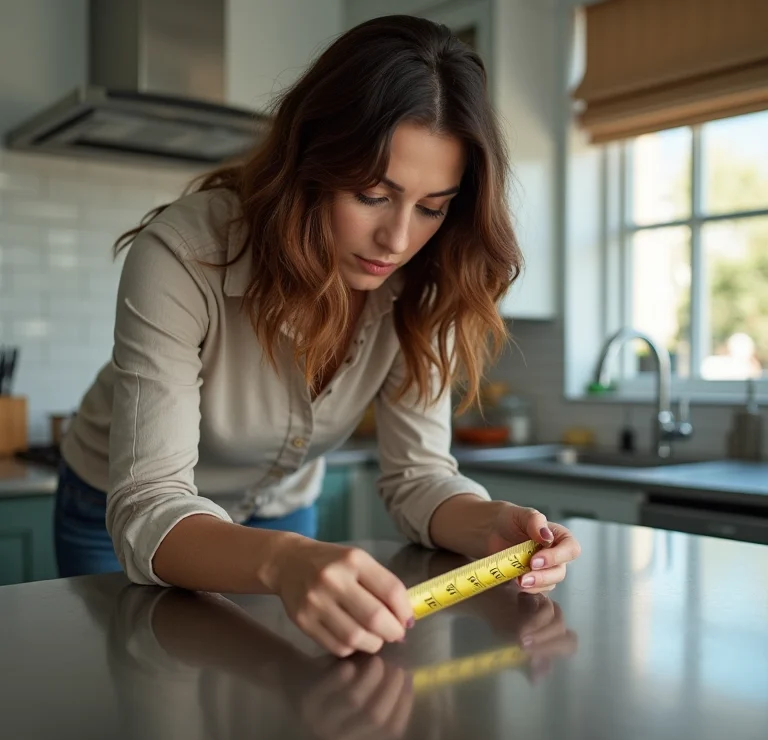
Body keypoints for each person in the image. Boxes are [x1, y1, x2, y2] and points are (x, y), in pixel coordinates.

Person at [55, 14, 581, 657]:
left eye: (432, 207)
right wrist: (283, 561)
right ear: (311, 159)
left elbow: (419, 476)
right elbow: (150, 503)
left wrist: (489, 524)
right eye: (370, 194)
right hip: (124, 512)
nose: (397, 240)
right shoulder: (183, 252)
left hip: (280, 515)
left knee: (278, 704)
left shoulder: (432, 280)